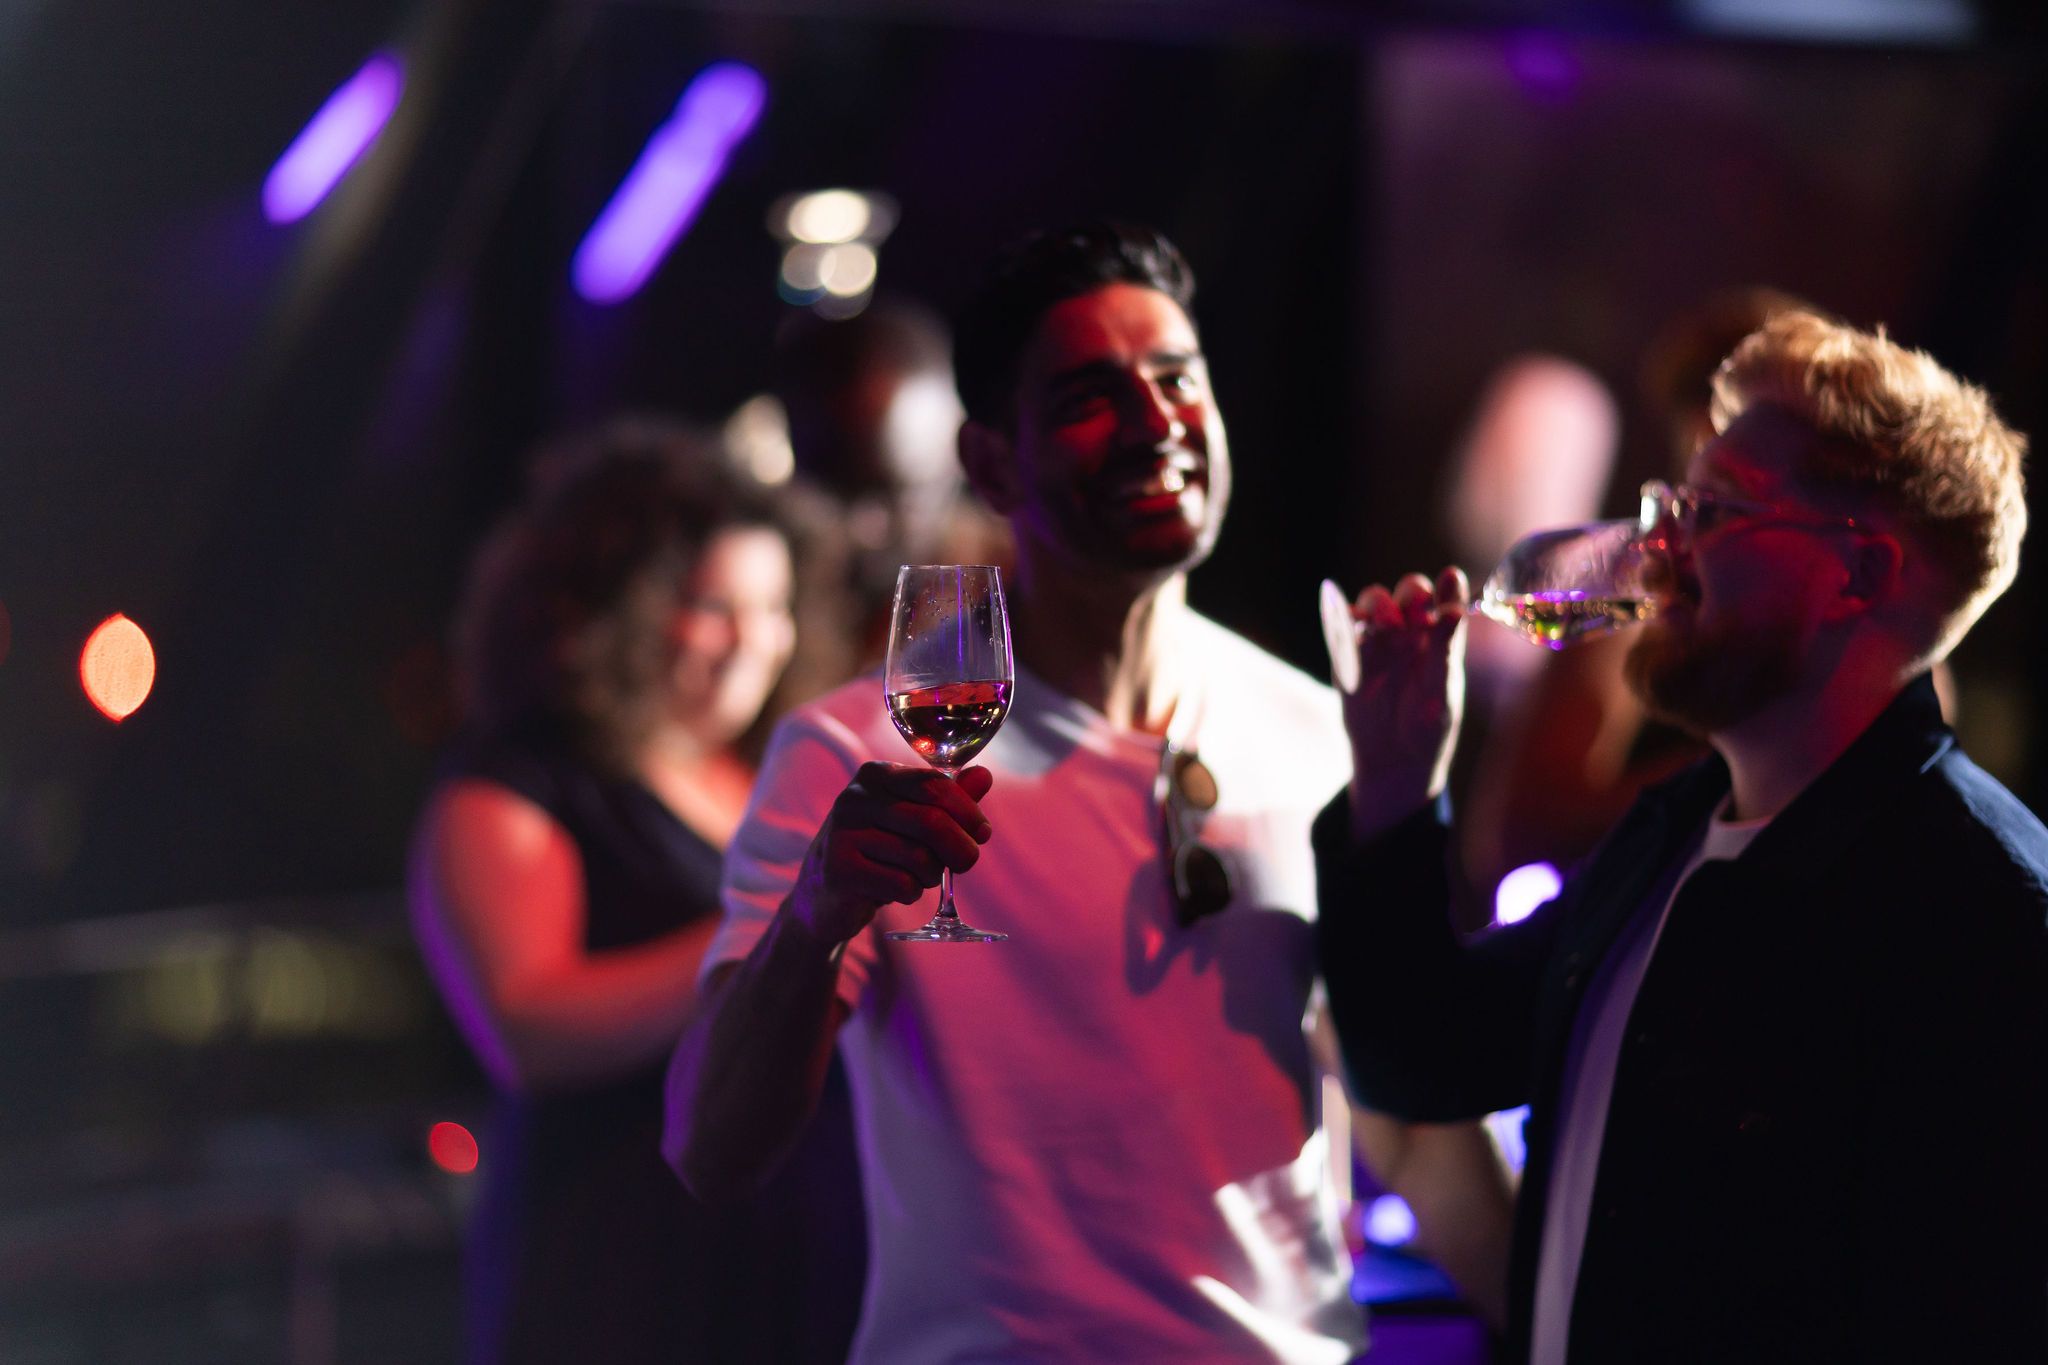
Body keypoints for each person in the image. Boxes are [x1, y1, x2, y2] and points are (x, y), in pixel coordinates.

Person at [665, 223, 1513, 1362]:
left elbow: (1408, 1130)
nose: (1156, 422)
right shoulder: (854, 754)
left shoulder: (1319, 728)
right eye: (1089, 398)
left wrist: (1573, 1316)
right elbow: (713, 1146)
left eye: (1177, 379)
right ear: (991, 464)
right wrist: (817, 913)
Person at [1315, 310, 2048, 1362]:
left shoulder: (1982, 915)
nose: (1658, 551)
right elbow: (1425, 1055)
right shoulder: (1669, 836)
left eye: (1714, 510)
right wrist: (1394, 783)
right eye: (1671, 505)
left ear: (1857, 574)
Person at [408, 419, 863, 1364]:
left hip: (794, 1260)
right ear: (612, 609)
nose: (753, 642)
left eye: (774, 607)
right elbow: (525, 1029)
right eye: (713, 606)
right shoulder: (514, 785)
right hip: (619, 1264)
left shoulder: (771, 773)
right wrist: (777, 930)